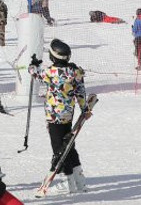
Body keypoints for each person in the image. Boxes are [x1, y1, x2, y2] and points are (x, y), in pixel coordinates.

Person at [37, 39, 89, 194]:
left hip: (54, 116)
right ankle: (79, 180)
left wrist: (33, 64)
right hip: (68, 115)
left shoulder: (50, 72)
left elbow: (35, 72)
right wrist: (84, 108)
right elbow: (80, 92)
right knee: (69, 145)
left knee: (59, 149)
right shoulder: (74, 72)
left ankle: (67, 180)